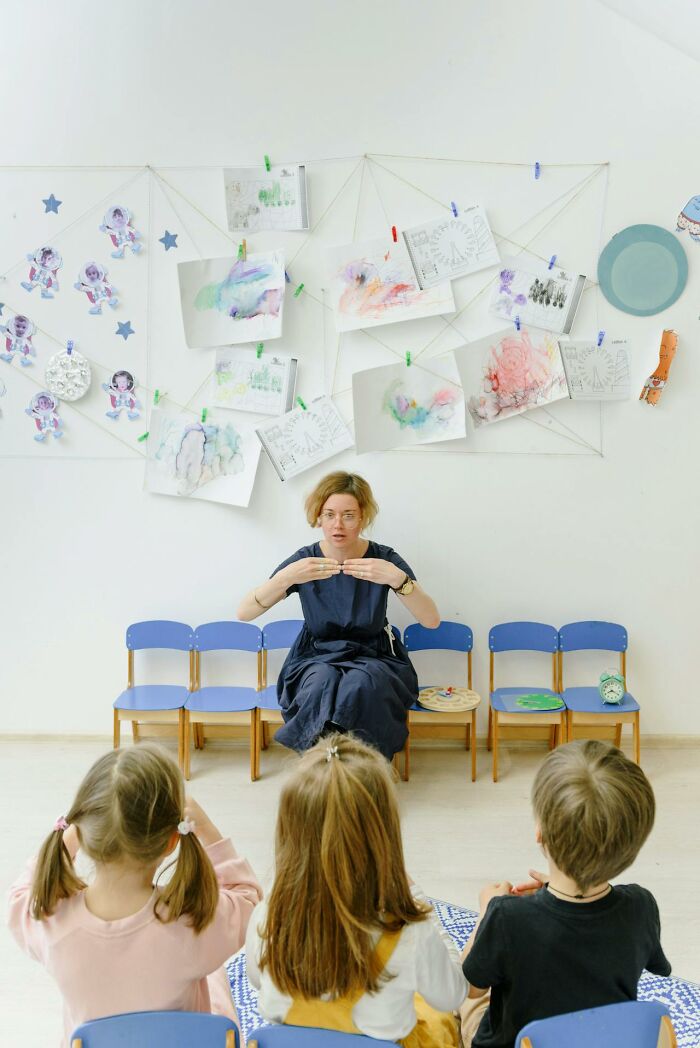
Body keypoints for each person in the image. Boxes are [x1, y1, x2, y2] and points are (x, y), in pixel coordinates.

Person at [6, 743, 262, 1046]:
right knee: (217, 979)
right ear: (171, 841)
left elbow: (20, 896)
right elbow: (248, 898)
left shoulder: (50, 922)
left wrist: (66, 842)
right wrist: (206, 829)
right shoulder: (195, 921)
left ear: (86, 834)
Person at [246, 733, 466, 1046]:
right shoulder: (409, 932)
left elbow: (256, 979)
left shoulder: (266, 917)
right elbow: (453, 994)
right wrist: (417, 902)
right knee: (441, 1018)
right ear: (384, 836)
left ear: (289, 835)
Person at [459, 740, 671, 1048]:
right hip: (602, 1040)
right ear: (631, 847)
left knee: (466, 1003)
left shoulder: (506, 918)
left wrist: (485, 912)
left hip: (522, 1042)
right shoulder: (641, 907)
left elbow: (469, 987)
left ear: (540, 833)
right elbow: (652, 965)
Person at [237, 471, 440, 759]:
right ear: (318, 516)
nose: (337, 525)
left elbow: (431, 620)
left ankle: (364, 771)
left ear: (363, 517)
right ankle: (322, 768)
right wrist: (287, 577)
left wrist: (398, 579)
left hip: (374, 655)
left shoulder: (383, 557)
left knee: (362, 685)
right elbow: (245, 612)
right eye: (329, 514)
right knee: (319, 683)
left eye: (348, 515)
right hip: (315, 655)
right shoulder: (305, 560)